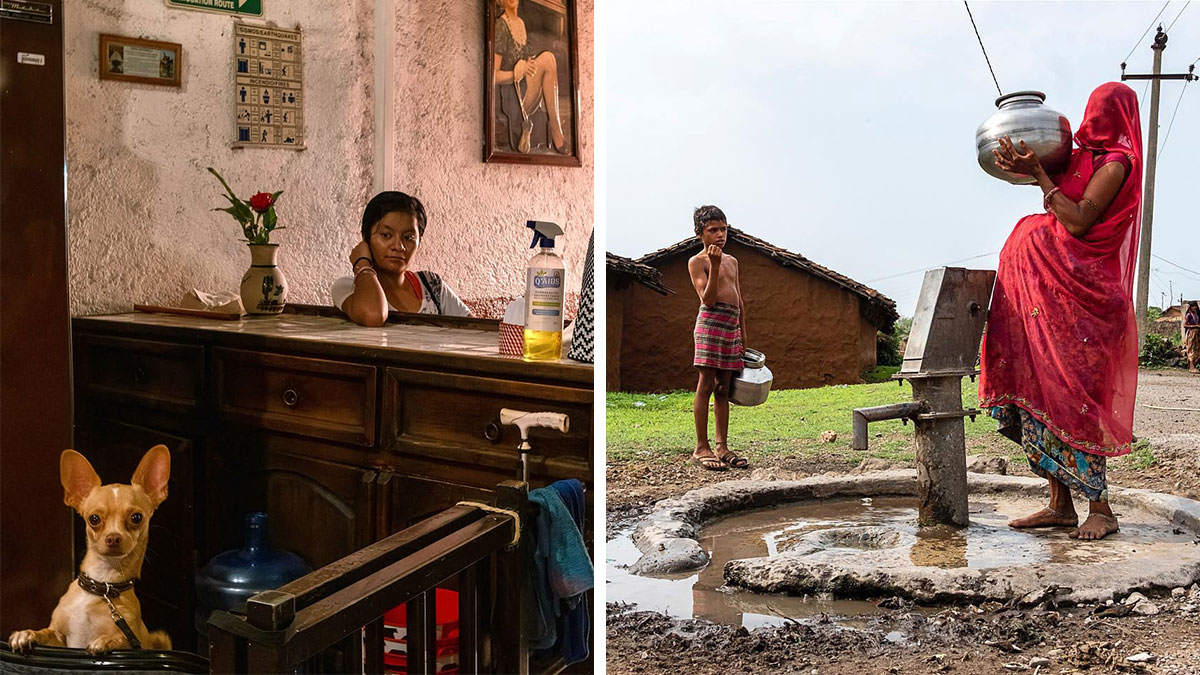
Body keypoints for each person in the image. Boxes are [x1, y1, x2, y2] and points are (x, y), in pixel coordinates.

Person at [980, 82, 1144, 541]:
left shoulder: (1115, 163)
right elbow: (1050, 186)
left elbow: (1078, 221)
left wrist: (1041, 176)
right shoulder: (1080, 160)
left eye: (1102, 111)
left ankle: (1101, 511)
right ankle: (1060, 505)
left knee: (1076, 401)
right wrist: (1030, 167)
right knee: (1043, 393)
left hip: (1085, 301)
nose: (1092, 119)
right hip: (1050, 300)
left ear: (1119, 117)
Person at [332, 191, 471, 326]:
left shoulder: (431, 285)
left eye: (408, 237)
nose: (399, 246)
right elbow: (373, 316)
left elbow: (475, 331)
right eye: (386, 235)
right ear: (365, 237)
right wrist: (362, 263)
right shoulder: (348, 287)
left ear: (419, 241)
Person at [686, 206, 749, 471]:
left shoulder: (733, 261)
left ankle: (722, 446)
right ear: (700, 233)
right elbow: (708, 300)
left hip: (731, 325)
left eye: (723, 229)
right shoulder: (697, 262)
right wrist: (713, 264)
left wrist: (742, 335)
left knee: (724, 387)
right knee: (706, 384)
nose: (720, 235)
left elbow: (739, 299)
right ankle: (702, 447)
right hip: (711, 324)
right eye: (713, 230)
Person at [492, 0, 568, 154]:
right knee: (548, 58)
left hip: (524, 87)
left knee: (548, 59)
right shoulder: (501, 26)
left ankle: (554, 128)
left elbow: (525, 60)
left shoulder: (520, 23)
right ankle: (555, 131)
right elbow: (494, 76)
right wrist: (517, 72)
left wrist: (528, 63)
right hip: (511, 96)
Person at [1184, 301, 1200, 373]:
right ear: (1190, 307)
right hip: (1191, 333)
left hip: (1197, 334)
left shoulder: (1196, 314)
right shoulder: (1189, 315)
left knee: (1197, 349)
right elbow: (1185, 325)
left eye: (1195, 306)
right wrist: (1195, 326)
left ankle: (1194, 366)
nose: (1195, 307)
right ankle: (1191, 367)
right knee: (1191, 349)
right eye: (1193, 306)